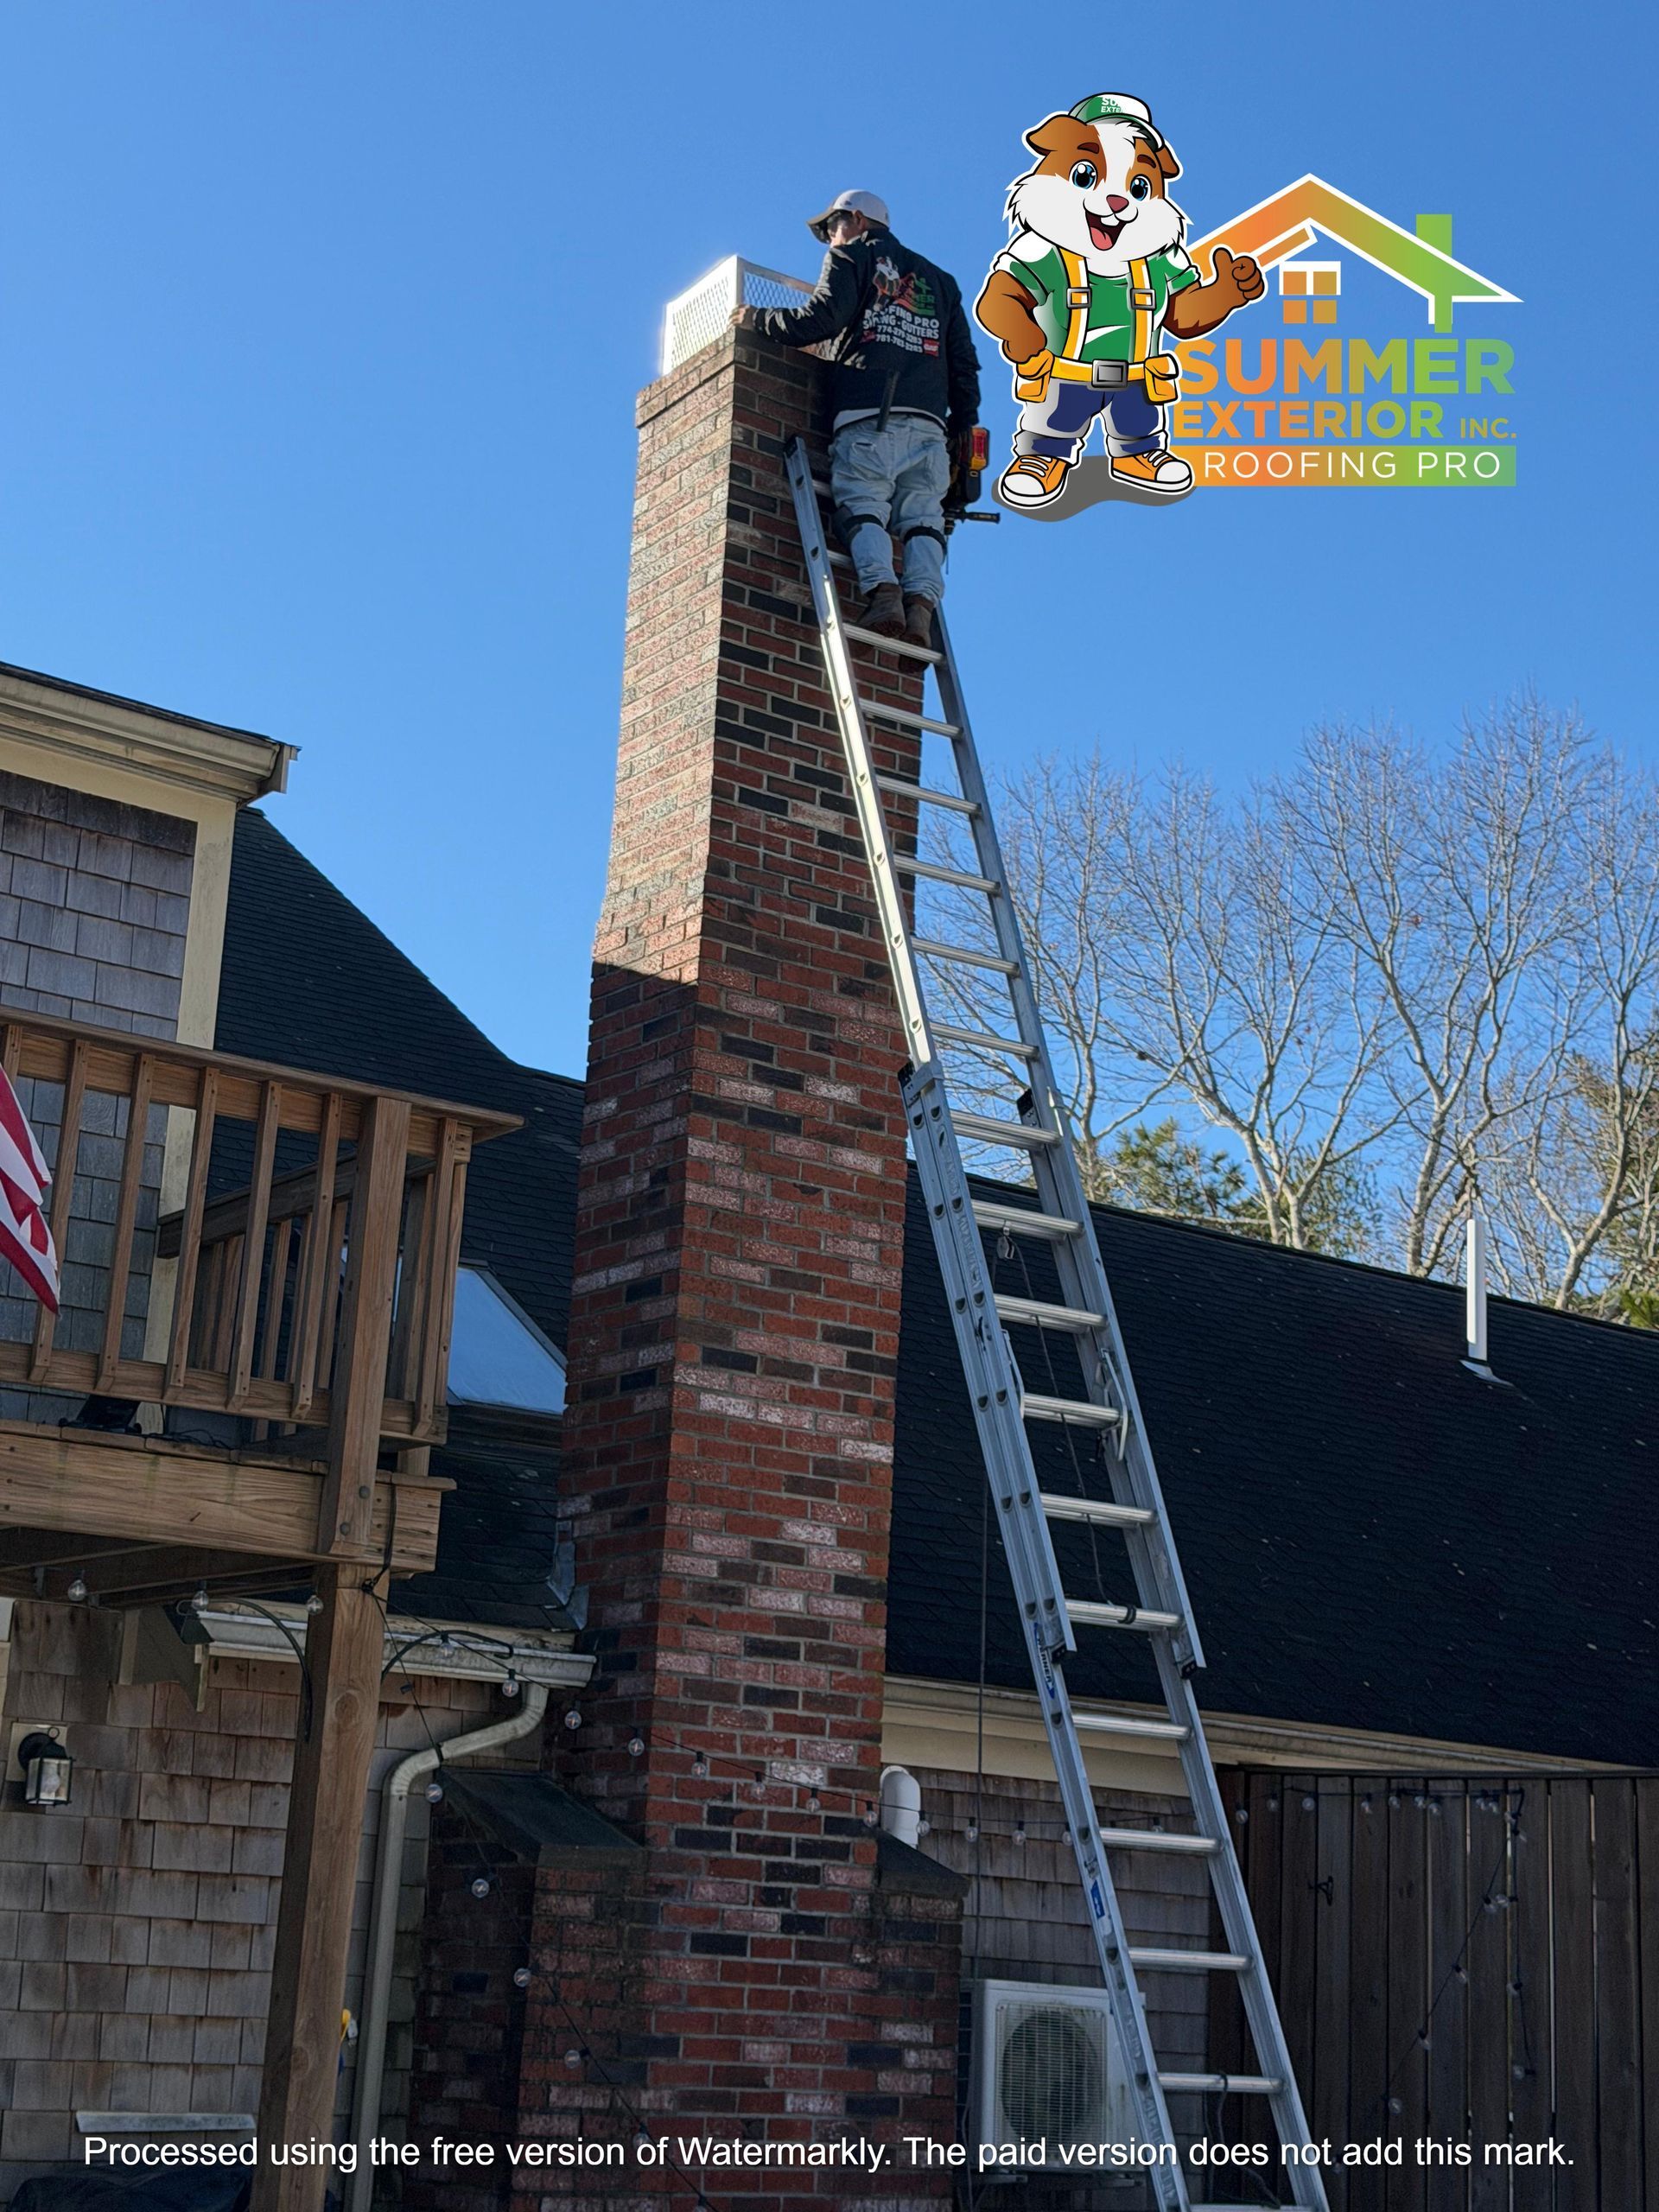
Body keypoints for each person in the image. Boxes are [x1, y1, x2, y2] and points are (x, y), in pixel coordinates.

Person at [734, 190, 981, 646]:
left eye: (832, 227)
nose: (830, 239)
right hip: (930, 425)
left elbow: (821, 319)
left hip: (871, 412)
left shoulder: (850, 257)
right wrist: (963, 426)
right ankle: (920, 609)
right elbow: (964, 364)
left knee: (861, 503)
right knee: (923, 518)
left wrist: (757, 318)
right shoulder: (940, 282)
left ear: (858, 219)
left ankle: (884, 593)